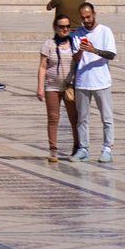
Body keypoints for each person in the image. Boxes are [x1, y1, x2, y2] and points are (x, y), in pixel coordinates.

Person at [70, 1, 117, 161]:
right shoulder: (76, 34)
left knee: (106, 117)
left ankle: (107, 148)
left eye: (89, 17)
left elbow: (111, 54)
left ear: (94, 14)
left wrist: (94, 50)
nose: (86, 20)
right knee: (82, 117)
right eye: (83, 18)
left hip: (101, 81)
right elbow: (75, 58)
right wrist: (81, 52)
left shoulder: (105, 31)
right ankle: (83, 148)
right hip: (83, 81)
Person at [36, 12, 82, 163]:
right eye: (62, 27)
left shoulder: (74, 43)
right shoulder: (48, 44)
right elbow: (43, 66)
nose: (65, 29)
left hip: (69, 86)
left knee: (74, 118)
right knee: (53, 118)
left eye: (68, 26)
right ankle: (53, 149)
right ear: (55, 27)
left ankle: (77, 147)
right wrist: (40, 88)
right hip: (52, 86)